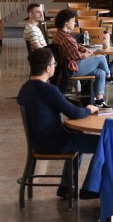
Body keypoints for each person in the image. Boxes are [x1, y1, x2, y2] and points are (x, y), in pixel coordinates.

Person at [17, 48, 100, 199]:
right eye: (54, 63)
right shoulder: (48, 89)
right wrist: (89, 109)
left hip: (39, 140)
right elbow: (74, 113)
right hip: (54, 142)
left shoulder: (25, 88)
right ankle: (90, 188)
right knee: (104, 142)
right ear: (48, 68)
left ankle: (66, 187)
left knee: (79, 134)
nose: (55, 66)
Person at [52, 8, 113, 108]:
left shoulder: (60, 34)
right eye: (72, 21)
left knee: (100, 72)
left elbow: (75, 46)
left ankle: (100, 101)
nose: (74, 23)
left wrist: (85, 50)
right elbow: (77, 56)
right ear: (66, 22)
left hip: (67, 67)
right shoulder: (66, 38)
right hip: (73, 68)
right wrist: (88, 54)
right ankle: (110, 76)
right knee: (101, 58)